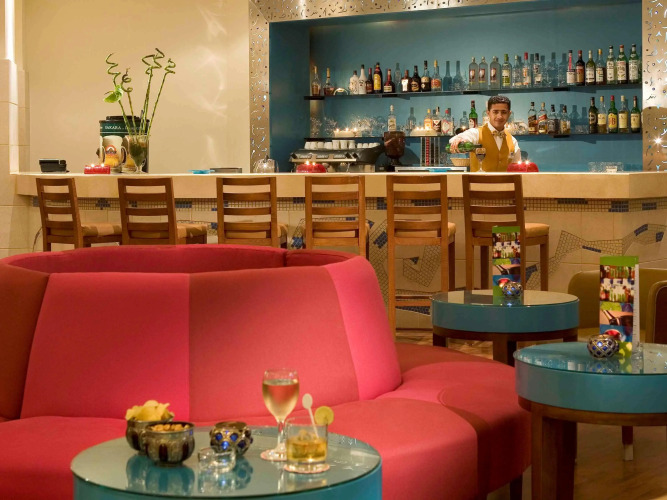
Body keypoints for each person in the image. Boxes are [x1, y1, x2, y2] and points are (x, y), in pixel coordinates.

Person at [448, 95, 521, 172]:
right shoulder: (476, 133)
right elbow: (455, 139)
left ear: (509, 114)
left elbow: (517, 169)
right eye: (495, 112)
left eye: (504, 112)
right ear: (488, 113)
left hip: (506, 180)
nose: (499, 116)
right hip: (478, 180)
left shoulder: (513, 141)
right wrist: (460, 140)